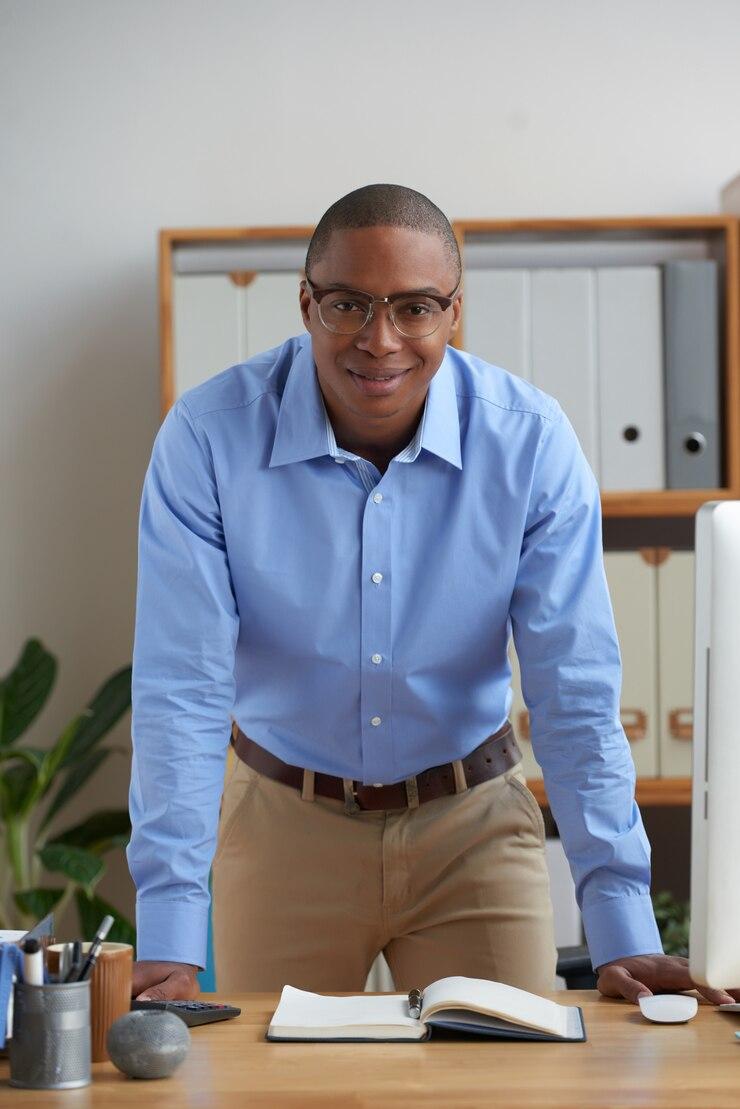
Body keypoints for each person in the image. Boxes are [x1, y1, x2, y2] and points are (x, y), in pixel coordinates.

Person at [128, 183, 739, 1008]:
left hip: (471, 824)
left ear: (454, 311)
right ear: (306, 304)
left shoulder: (530, 441)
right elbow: (182, 690)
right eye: (347, 303)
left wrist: (623, 925)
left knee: (510, 1084)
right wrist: (167, 933)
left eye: (415, 307)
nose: (379, 341)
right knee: (271, 1094)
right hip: (283, 821)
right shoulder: (207, 438)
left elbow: (575, 692)